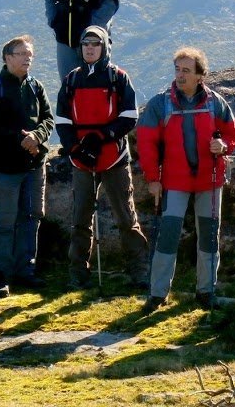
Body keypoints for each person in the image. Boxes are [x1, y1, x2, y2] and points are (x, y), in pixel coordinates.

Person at [136, 47, 235, 311]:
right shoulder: (161, 103)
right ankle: (158, 295)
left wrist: (223, 146)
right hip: (174, 182)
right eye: (177, 70)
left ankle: (206, 293)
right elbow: (146, 143)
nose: (180, 76)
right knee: (167, 236)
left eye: (186, 71)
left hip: (210, 180)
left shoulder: (215, 102)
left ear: (200, 76)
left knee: (208, 237)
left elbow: (233, 132)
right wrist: (153, 179)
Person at [55, 26, 148, 290]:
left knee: (126, 218)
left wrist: (102, 136)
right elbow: (62, 119)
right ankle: (78, 274)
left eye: (95, 44)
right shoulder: (72, 79)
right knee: (80, 219)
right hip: (81, 159)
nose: (90, 48)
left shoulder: (118, 77)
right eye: (85, 44)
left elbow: (130, 116)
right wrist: (75, 148)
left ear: (105, 47)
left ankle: (139, 272)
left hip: (114, 157)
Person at [0, 35, 55, 297]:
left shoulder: (36, 86)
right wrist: (21, 139)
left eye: (30, 54)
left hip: (34, 164)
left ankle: (26, 270)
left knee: (32, 216)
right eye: (22, 53)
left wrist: (37, 138)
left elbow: (48, 118)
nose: (28, 58)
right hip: (6, 167)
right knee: (5, 220)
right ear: (7, 57)